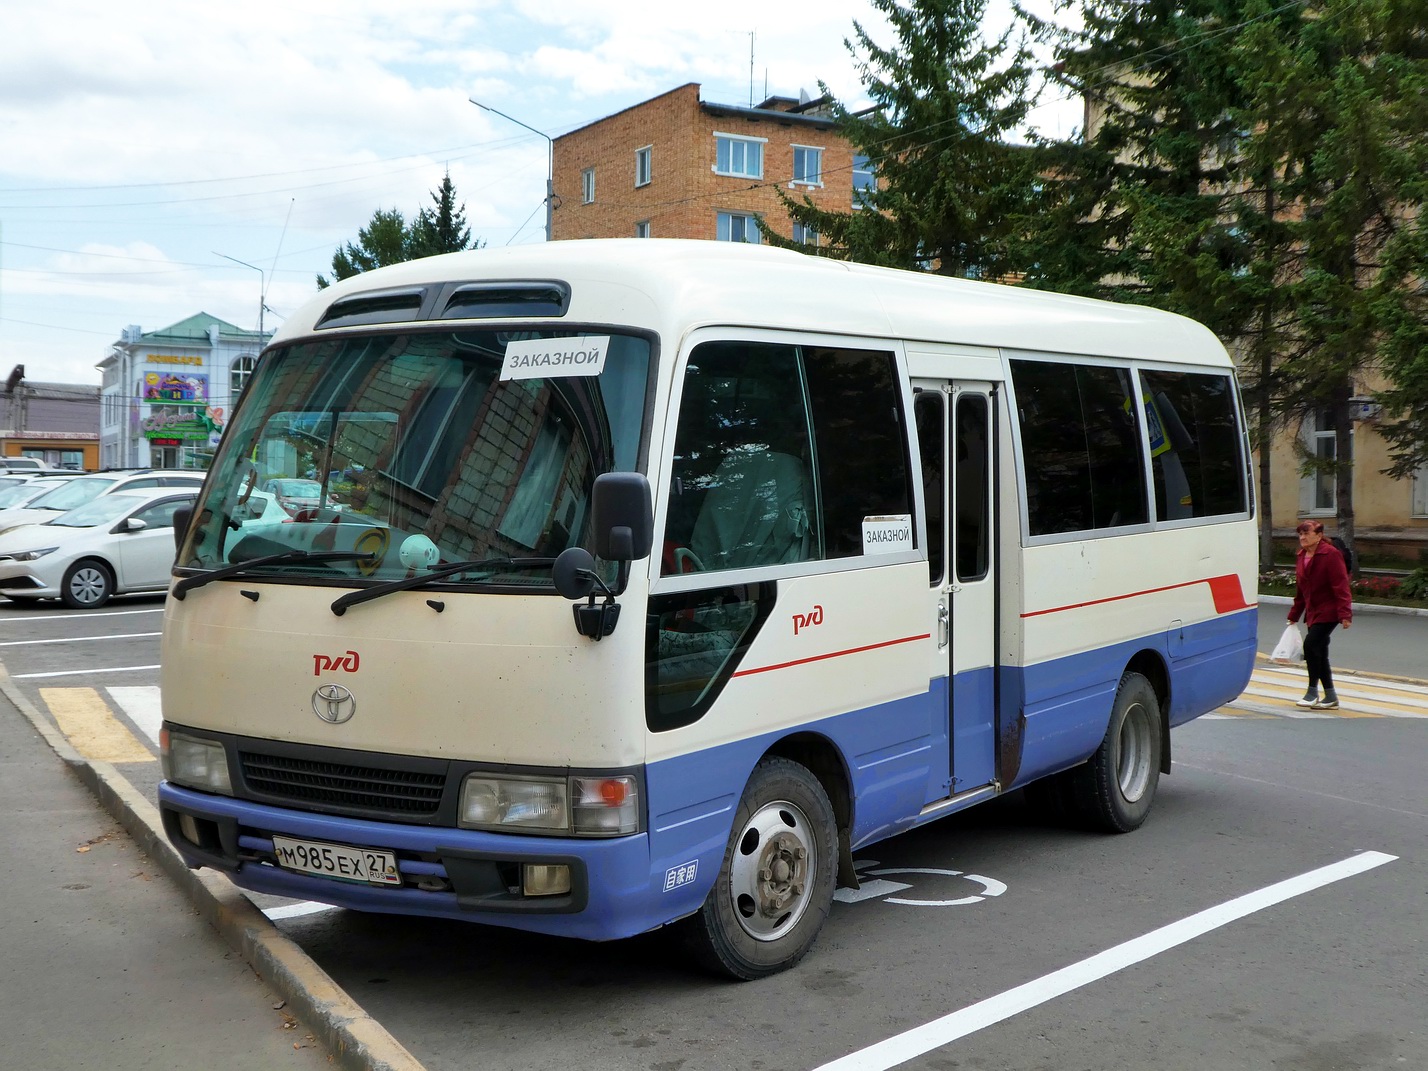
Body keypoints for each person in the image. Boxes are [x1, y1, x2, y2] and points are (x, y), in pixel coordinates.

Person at [1287, 520, 1354, 709]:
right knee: (1320, 652)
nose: (1302, 537)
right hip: (1313, 611)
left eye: (1306, 534)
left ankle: (1311, 692)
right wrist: (1294, 614)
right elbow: (1302, 589)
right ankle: (1331, 696)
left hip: (1330, 610)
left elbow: (1340, 586)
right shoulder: (1302, 555)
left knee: (1310, 646)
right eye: (1300, 534)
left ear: (1319, 535)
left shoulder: (1330, 554)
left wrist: (1345, 614)